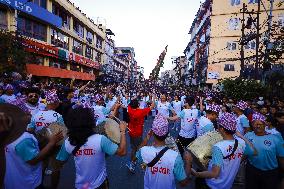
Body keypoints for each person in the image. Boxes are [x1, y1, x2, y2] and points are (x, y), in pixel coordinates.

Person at [56, 107, 127, 189]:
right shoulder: (100, 139)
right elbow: (122, 152)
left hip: (81, 185)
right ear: (90, 121)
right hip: (100, 184)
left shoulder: (68, 142)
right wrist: (122, 131)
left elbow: (60, 161)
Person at [1, 104, 63, 189]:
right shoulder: (23, 138)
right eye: (27, 114)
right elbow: (34, 160)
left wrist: (43, 134)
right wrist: (51, 142)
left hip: (11, 181)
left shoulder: (5, 134)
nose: (30, 115)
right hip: (28, 182)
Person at [191, 113, 246, 189]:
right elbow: (252, 152)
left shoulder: (219, 147)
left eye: (219, 126)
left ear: (222, 129)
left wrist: (196, 174)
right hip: (228, 184)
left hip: (213, 185)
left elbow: (214, 173)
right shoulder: (241, 142)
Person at [136, 114, 192, 189]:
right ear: (167, 133)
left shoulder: (144, 151)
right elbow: (183, 182)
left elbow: (135, 157)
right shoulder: (175, 156)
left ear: (152, 132)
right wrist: (188, 162)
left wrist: (147, 138)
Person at [244, 112, 284, 189]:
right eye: (255, 124)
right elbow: (244, 152)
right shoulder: (248, 135)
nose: (258, 126)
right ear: (252, 125)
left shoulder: (276, 138)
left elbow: (281, 157)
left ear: (265, 125)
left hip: (270, 172)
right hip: (252, 169)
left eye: (260, 124)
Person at [126, 98, 155, 173]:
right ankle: (132, 163)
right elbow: (152, 106)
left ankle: (132, 161)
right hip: (138, 133)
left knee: (133, 148)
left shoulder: (130, 109)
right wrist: (153, 97)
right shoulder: (141, 112)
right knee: (139, 149)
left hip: (130, 131)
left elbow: (129, 104)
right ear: (138, 105)